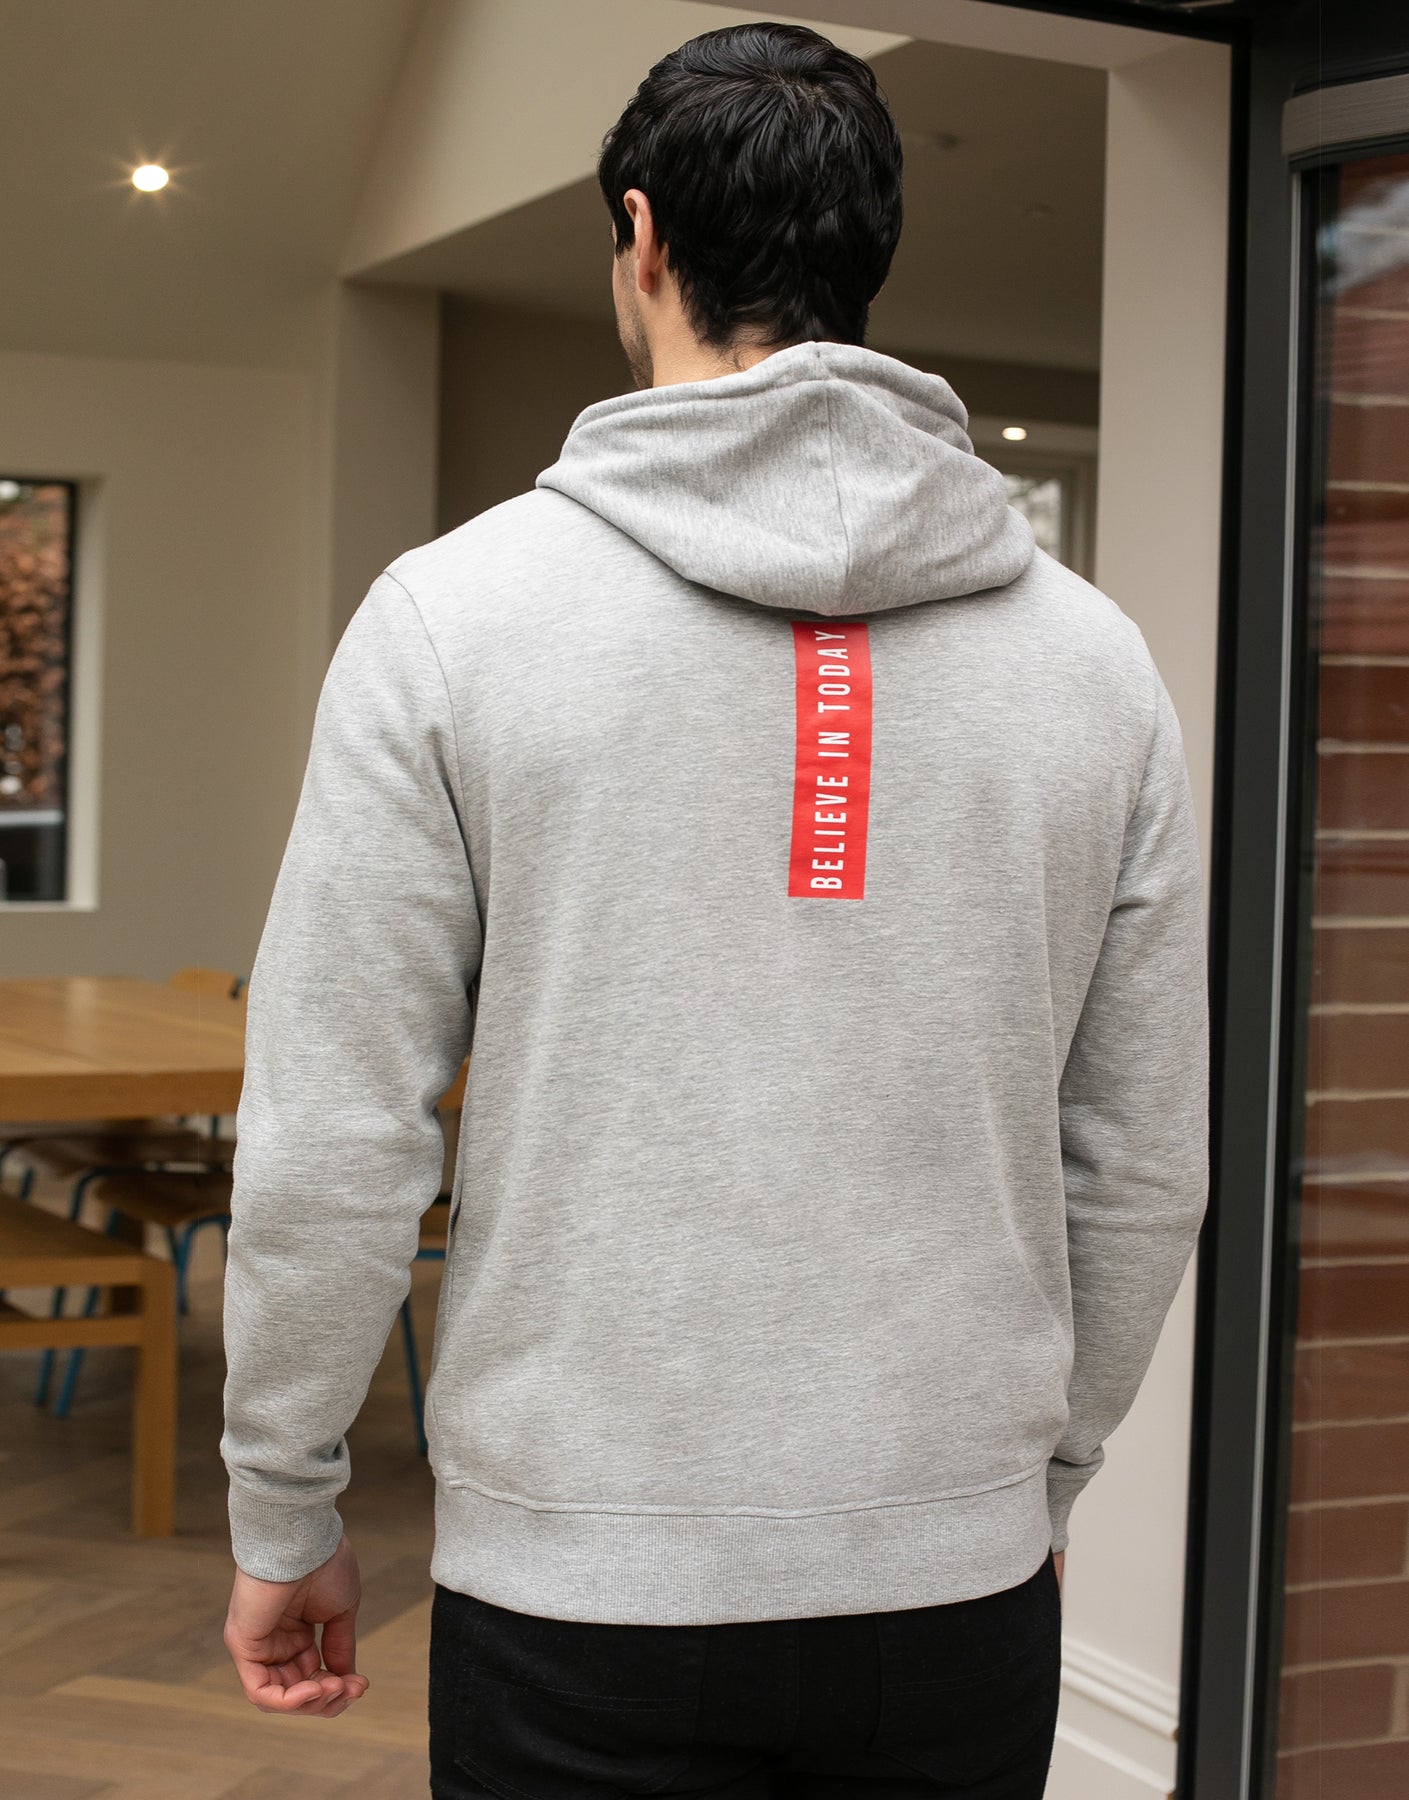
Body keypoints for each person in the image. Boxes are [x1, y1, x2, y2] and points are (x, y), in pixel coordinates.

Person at [220, 21, 1209, 1799]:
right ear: (867, 253)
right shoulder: (1093, 662)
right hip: (955, 1590)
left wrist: (284, 1505)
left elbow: (337, 1134)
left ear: (640, 235)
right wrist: (1037, 1486)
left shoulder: (451, 619)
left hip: (578, 1592)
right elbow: (1138, 1160)